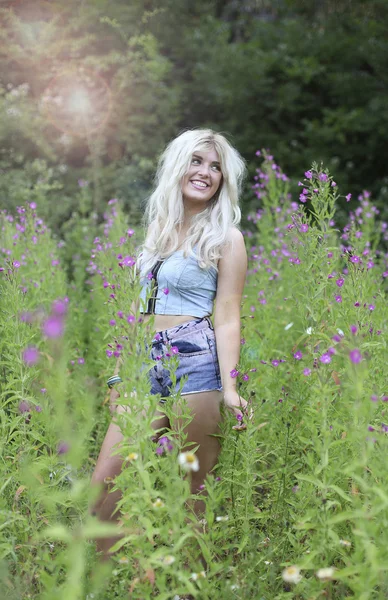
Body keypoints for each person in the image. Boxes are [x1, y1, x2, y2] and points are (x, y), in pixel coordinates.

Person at [90, 128, 249, 561]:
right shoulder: (157, 232)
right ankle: (106, 580)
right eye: (197, 161)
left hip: (196, 362)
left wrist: (231, 387)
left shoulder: (225, 238)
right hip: (144, 362)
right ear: (178, 165)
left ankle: (187, 587)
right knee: (104, 483)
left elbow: (228, 312)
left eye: (216, 167)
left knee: (193, 491)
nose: (206, 172)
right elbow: (138, 313)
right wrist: (122, 372)